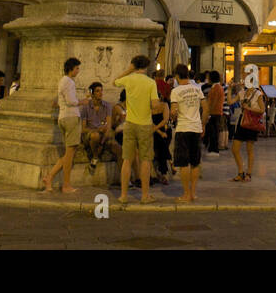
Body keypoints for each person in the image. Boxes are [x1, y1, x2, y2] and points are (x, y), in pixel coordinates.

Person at [114, 54, 163, 204]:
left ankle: (123, 195)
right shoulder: (150, 83)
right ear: (146, 66)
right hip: (145, 125)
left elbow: (115, 81)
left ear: (134, 66)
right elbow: (155, 105)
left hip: (129, 123)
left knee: (127, 159)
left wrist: (129, 70)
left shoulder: (129, 79)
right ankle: (145, 195)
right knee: (145, 160)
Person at [42, 57, 82, 194]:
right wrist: (82, 102)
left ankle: (50, 177)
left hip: (63, 117)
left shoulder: (62, 81)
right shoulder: (69, 82)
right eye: (77, 68)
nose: (78, 71)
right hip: (71, 117)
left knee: (68, 153)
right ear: (71, 68)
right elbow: (71, 101)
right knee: (70, 154)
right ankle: (66, 185)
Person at [170, 64, 205, 202]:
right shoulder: (197, 89)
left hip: (183, 129)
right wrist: (203, 124)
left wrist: (173, 116)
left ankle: (185, 194)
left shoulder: (176, 91)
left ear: (177, 76)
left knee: (184, 163)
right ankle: (193, 193)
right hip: (196, 128)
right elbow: (205, 107)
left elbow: (173, 111)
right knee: (195, 162)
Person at [230, 80, 265, 182]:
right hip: (242, 122)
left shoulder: (257, 94)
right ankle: (240, 172)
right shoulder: (242, 93)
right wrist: (229, 89)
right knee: (235, 148)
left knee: (249, 149)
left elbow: (262, 110)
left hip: (251, 123)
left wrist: (249, 108)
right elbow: (230, 102)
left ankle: (248, 173)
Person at [81, 81, 118, 170]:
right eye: (97, 91)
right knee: (95, 136)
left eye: (101, 90)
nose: (101, 93)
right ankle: (95, 156)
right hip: (91, 133)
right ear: (92, 94)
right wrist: (96, 130)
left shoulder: (107, 106)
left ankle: (127, 179)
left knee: (120, 149)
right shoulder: (86, 107)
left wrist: (102, 143)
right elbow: (83, 129)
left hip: (103, 134)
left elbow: (108, 125)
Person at [204, 70, 225, 154]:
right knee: (212, 131)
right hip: (214, 112)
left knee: (214, 131)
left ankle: (214, 149)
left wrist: (208, 112)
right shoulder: (215, 87)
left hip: (215, 112)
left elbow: (214, 101)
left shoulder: (216, 88)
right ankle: (212, 148)